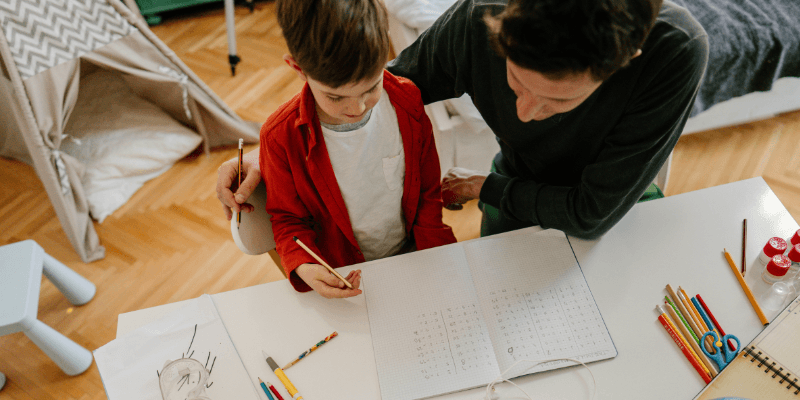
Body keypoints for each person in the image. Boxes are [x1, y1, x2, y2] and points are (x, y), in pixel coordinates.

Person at [218, 0, 708, 243]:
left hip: (617, 209)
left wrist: (483, 187)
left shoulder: (677, 51)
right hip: (514, 196)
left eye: (557, 103)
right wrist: (275, 152)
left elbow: (591, 214)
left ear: (625, 61)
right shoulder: (480, 16)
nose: (523, 115)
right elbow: (378, 89)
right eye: (516, 84)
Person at [240, 0, 456, 299]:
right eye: (335, 97)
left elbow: (428, 192)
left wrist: (433, 255)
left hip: (413, 257)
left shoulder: (407, 101)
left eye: (371, 88)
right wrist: (304, 265)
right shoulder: (280, 137)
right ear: (297, 68)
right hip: (343, 271)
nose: (356, 108)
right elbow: (288, 220)